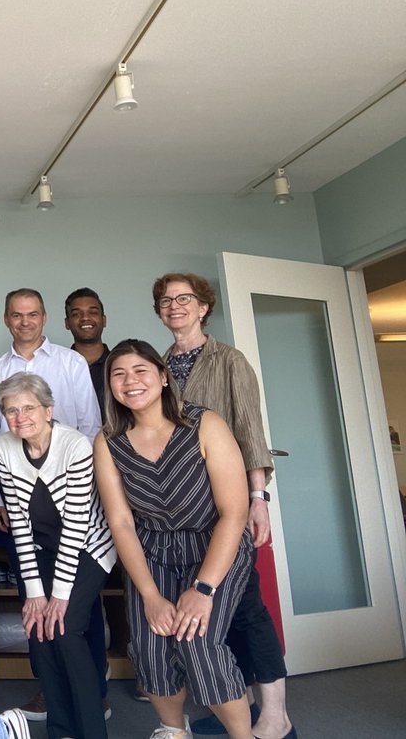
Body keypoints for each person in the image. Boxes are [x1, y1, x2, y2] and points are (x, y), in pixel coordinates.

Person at [153, 273, 294, 739]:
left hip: (228, 501)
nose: (175, 306)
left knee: (248, 606)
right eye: (166, 300)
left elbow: (251, 432)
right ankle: (243, 702)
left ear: (204, 307)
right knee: (224, 610)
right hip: (180, 507)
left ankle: (275, 714)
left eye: (184, 299)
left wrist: (258, 498)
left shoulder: (228, 360)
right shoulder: (158, 365)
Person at [95, 339, 255, 739]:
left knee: (198, 643)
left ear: (163, 377)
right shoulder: (108, 440)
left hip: (214, 547)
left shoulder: (205, 424)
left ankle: (243, 736)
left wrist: (202, 589)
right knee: (150, 648)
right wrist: (150, 595)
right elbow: (121, 523)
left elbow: (234, 514)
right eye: (119, 374)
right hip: (152, 554)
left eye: (140, 371)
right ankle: (172, 730)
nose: (130, 381)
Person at [0, 288, 106, 721]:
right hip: (23, 501)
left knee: (76, 614)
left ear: (45, 318)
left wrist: (74, 483)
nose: (25, 321)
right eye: (17, 315)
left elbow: (90, 425)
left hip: (74, 501)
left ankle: (95, 692)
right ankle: (51, 695)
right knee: (37, 603)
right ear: (6, 319)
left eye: (32, 314)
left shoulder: (70, 362)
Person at [0, 373, 117, 739]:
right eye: (11, 411)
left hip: (89, 548)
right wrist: (35, 593)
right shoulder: (3, 447)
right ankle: (60, 728)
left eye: (28, 408)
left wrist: (58, 597)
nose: (20, 417)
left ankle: (92, 729)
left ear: (49, 410)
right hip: (41, 549)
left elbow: (77, 525)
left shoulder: (75, 445)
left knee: (64, 629)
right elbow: (18, 522)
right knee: (37, 629)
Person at [63, 288, 111, 421]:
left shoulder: (120, 365)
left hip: (116, 441)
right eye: (76, 314)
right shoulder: (58, 368)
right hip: (70, 441)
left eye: (93, 312)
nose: (85, 318)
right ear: (67, 323)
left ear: (104, 320)